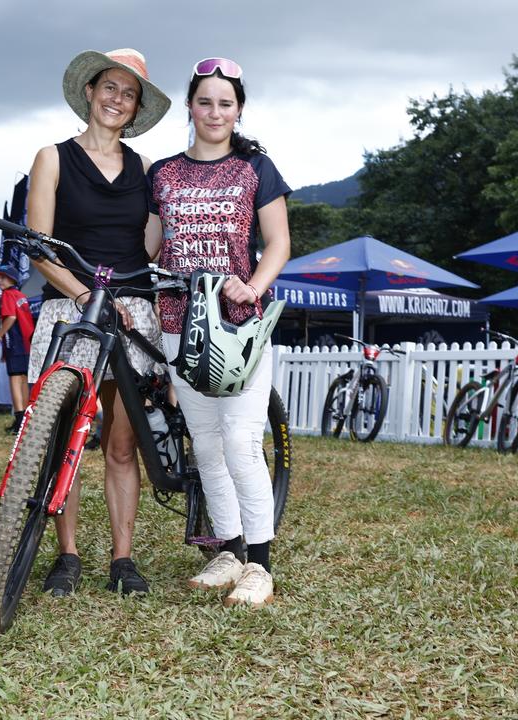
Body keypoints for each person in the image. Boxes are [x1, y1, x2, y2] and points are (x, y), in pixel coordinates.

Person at [25, 48, 171, 597]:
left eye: (127, 93)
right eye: (109, 87)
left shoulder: (145, 170)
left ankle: (123, 558)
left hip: (133, 309)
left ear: (135, 109)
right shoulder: (53, 157)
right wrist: (92, 294)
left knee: (120, 444)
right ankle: (67, 555)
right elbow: (40, 250)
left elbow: (151, 244)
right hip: (74, 306)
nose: (116, 99)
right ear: (89, 91)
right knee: (65, 437)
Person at [146, 57, 291, 607]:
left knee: (239, 439)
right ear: (189, 106)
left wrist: (252, 286)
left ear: (239, 110)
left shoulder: (257, 168)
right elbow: (149, 244)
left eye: (224, 103)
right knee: (205, 442)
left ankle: (260, 564)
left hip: (239, 326)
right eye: (204, 101)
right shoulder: (161, 173)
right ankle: (228, 550)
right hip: (178, 323)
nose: (214, 111)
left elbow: (277, 243)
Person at [0, 265, 35, 434]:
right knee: (23, 379)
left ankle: (19, 420)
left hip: (14, 342)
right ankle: (25, 420)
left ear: (12, 279)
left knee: (15, 380)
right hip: (26, 343)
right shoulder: (21, 296)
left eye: (3, 277)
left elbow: (11, 318)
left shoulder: (7, 294)